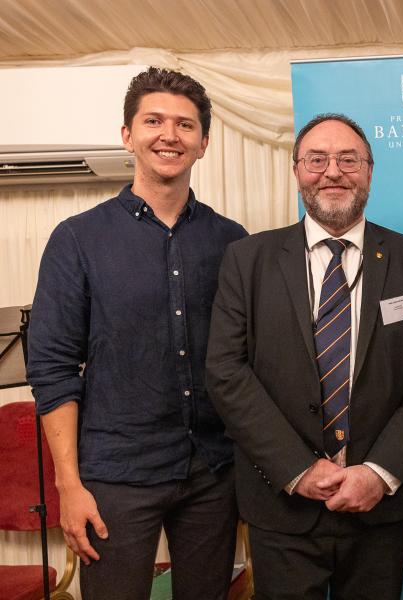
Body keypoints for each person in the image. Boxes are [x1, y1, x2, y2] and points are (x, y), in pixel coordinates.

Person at [205, 113, 403, 600]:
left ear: (370, 170)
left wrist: (378, 472)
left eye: (348, 159)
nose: (333, 171)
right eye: (317, 159)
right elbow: (226, 372)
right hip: (282, 504)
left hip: (379, 508)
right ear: (297, 170)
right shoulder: (248, 259)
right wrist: (297, 468)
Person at [27, 67, 247, 599]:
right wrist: (68, 485)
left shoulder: (233, 242)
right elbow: (53, 369)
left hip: (213, 473)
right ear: (127, 136)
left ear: (203, 143)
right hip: (114, 476)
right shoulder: (76, 239)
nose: (169, 135)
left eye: (184, 125)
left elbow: (248, 360)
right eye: (153, 121)